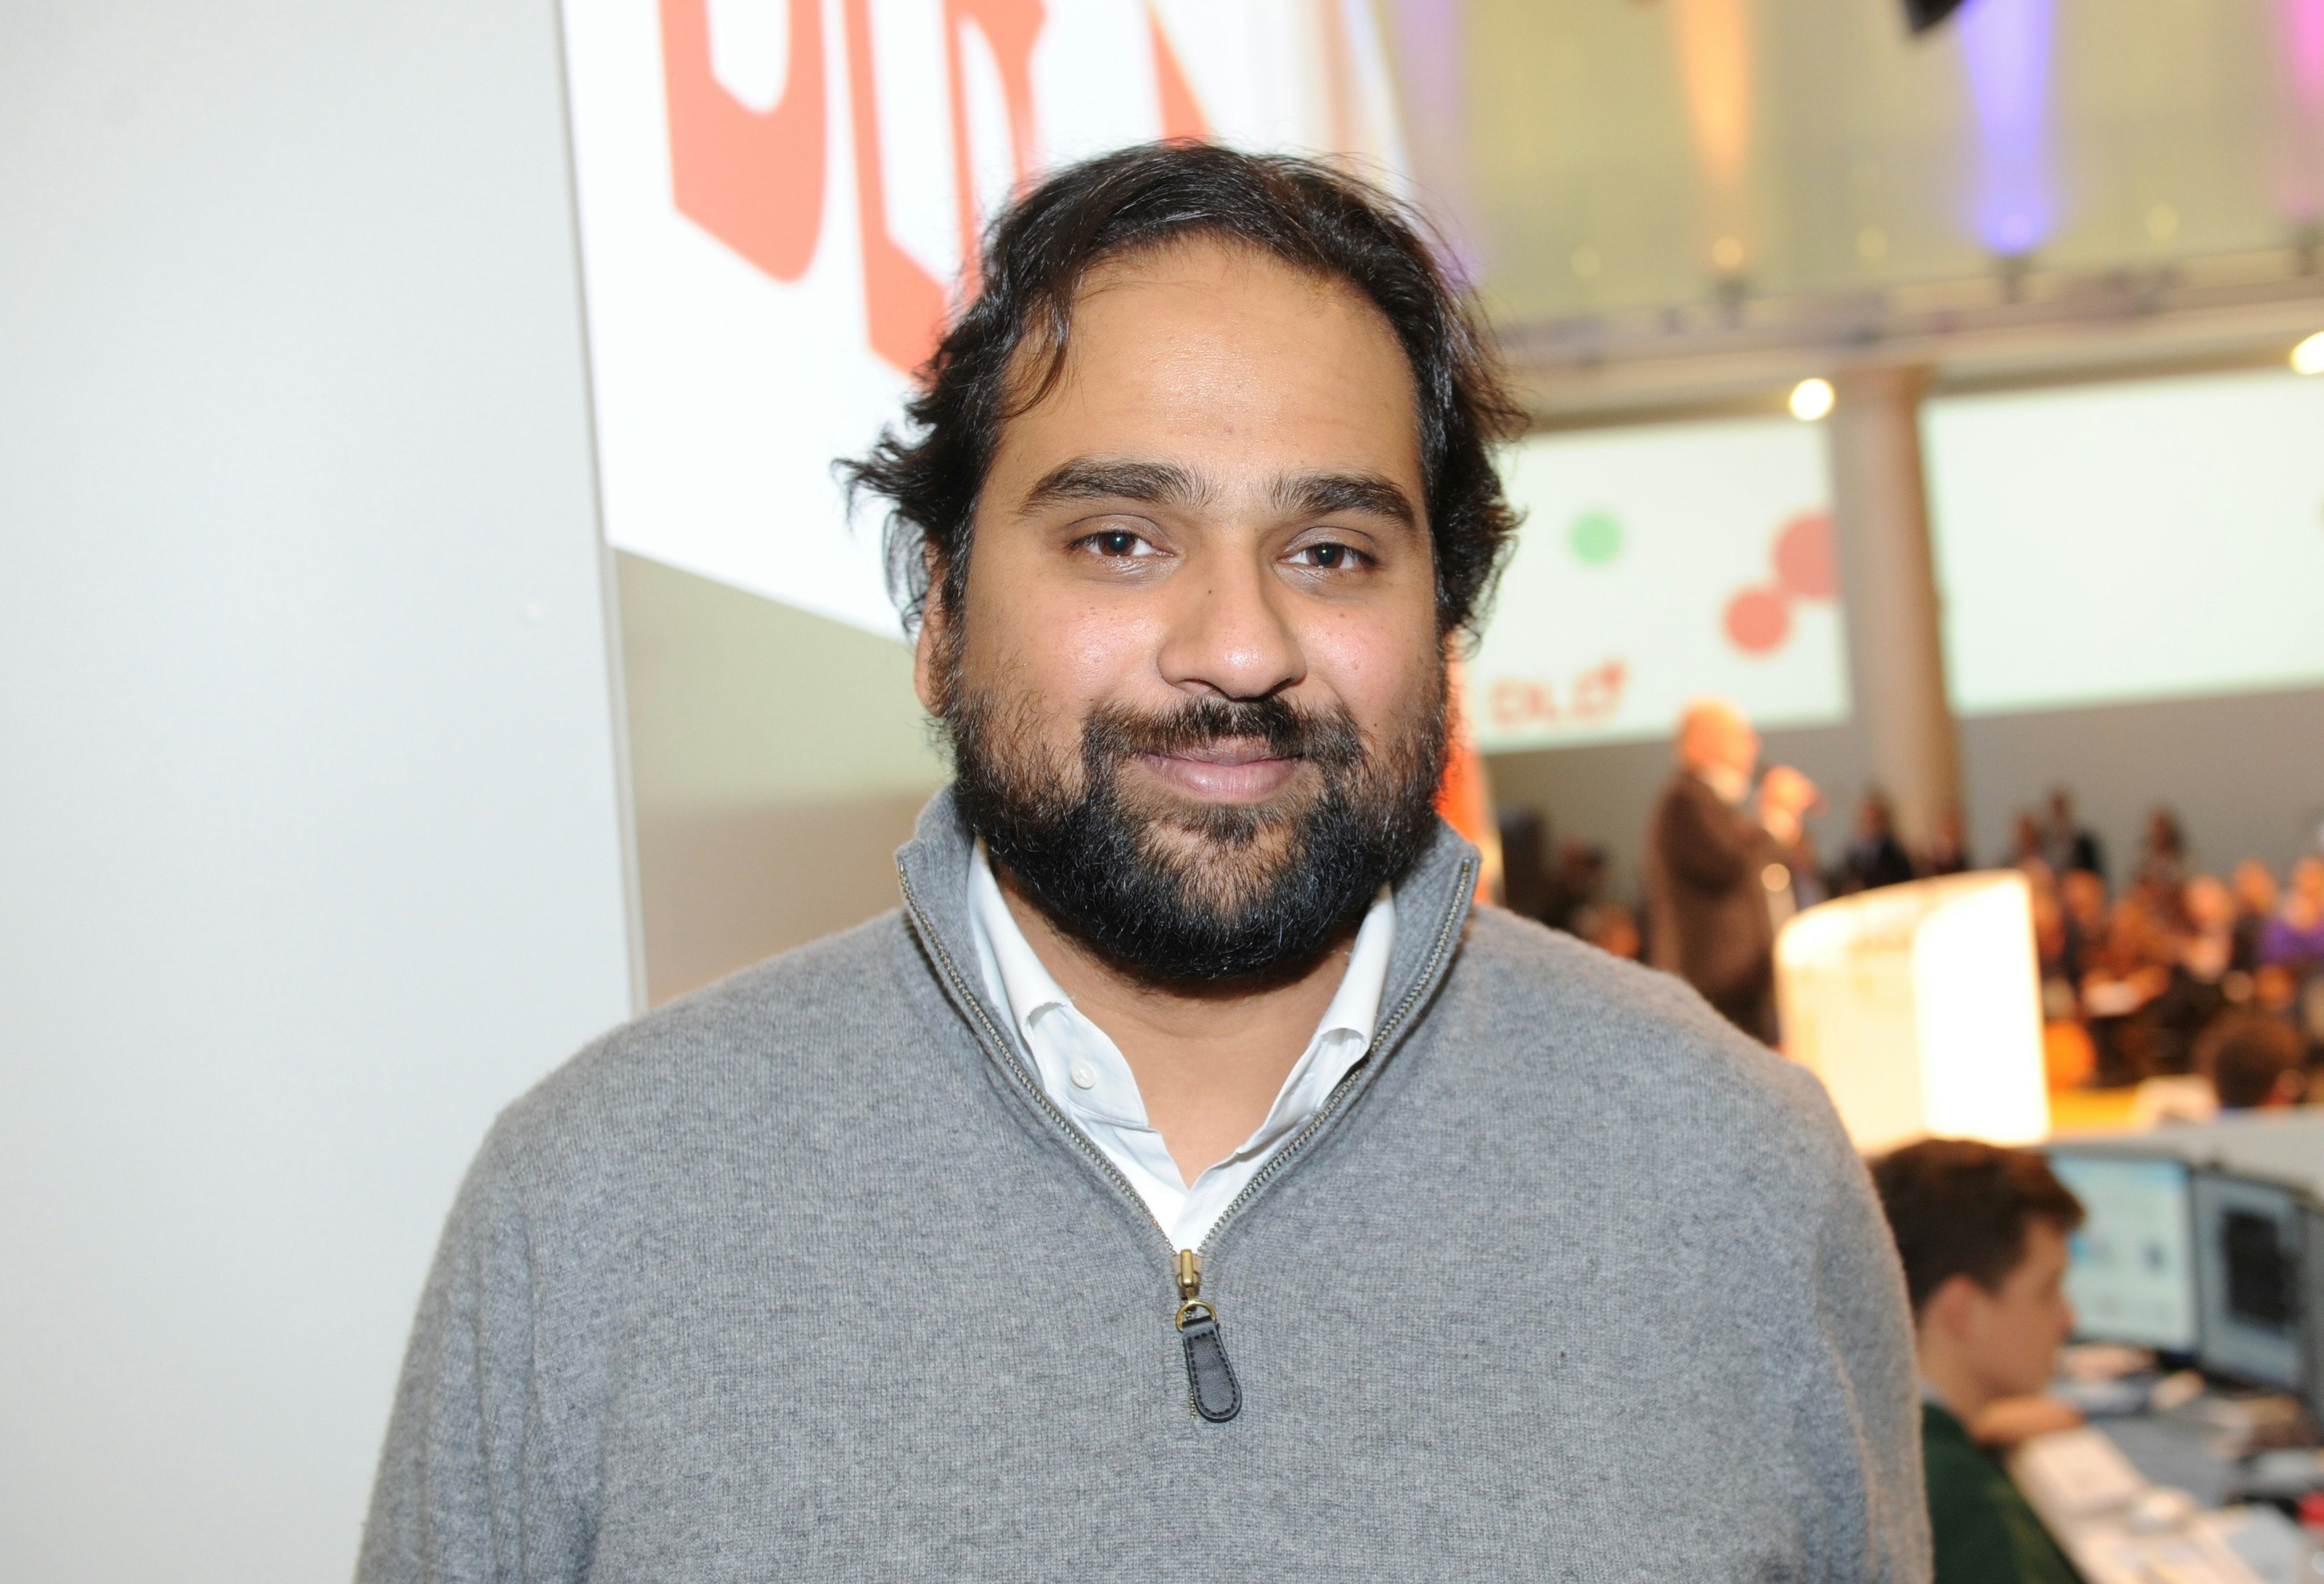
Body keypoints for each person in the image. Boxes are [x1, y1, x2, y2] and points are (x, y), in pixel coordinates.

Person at [358, 146, 1928, 1581]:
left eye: (1332, 550)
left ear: (1443, 627)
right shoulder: (594, 1205)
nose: (1240, 643)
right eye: (1120, 535)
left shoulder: (1740, 1173)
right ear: (941, 613)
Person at [1871, 1139, 2087, 1584]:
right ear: (1963, 1310)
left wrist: (1971, 1428)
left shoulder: (1877, 1437)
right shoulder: (1968, 1509)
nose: (2067, 1320)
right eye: (2047, 1290)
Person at [1644, 699, 1816, 1038]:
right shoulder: (1685, 802)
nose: (1754, 746)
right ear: (1705, 742)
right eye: (1741, 736)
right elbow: (1730, 866)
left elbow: (1755, 858)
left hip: (1742, 989)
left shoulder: (1717, 804)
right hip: (1717, 991)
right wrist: (1776, 817)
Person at [1839, 790, 1919, 894]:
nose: (1869, 825)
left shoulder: (1895, 853)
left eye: (1873, 820)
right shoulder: (1855, 855)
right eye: (1867, 820)